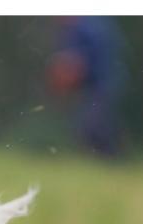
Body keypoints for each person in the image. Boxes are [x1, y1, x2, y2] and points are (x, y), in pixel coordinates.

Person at [47, 17, 127, 157]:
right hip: (90, 86)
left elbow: (83, 61)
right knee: (95, 123)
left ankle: (112, 159)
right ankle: (106, 160)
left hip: (104, 83)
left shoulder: (91, 28)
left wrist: (72, 69)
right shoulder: (70, 32)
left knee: (93, 123)